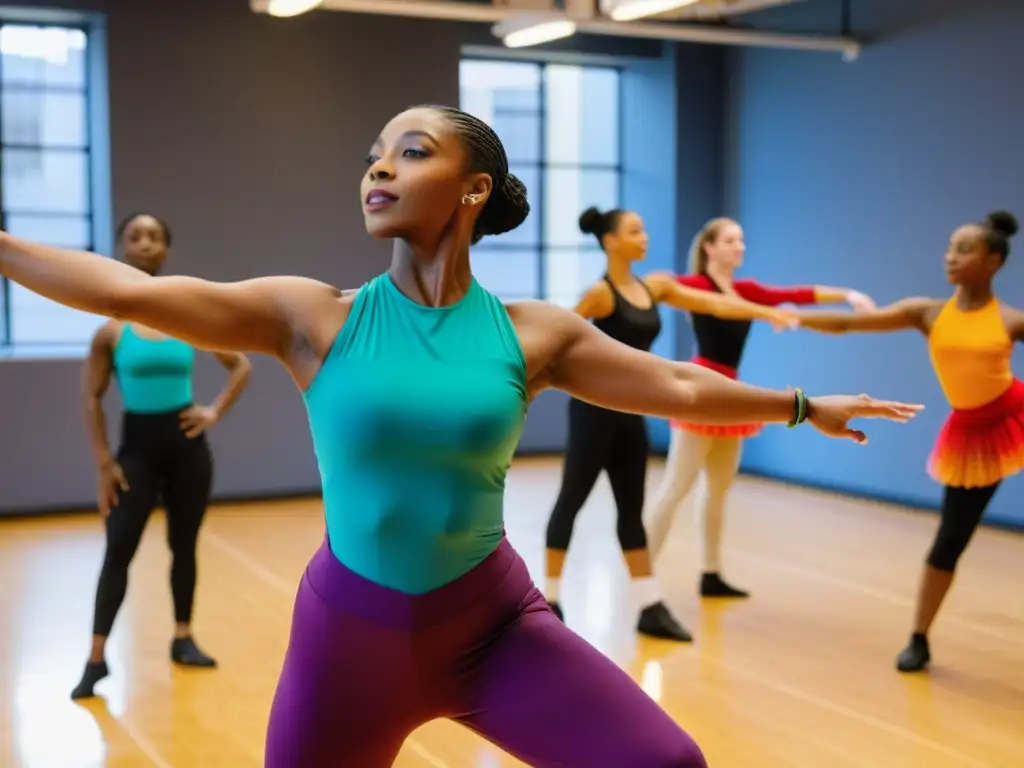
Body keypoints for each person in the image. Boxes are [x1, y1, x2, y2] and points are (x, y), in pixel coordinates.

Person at [0, 105, 922, 766]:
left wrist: (802, 406)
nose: (378, 170)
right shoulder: (311, 317)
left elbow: (677, 382)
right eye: (372, 157)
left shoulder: (533, 332)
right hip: (346, 645)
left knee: (665, 761)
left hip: (492, 630)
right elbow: (129, 292)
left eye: (408, 152)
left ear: (473, 188)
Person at [544, 206, 798, 642]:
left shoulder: (655, 286)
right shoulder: (600, 296)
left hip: (631, 414)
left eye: (644, 229)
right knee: (572, 500)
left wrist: (762, 310)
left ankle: (648, 605)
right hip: (593, 414)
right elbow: (558, 336)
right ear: (610, 242)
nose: (645, 237)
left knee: (631, 511)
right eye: (635, 231)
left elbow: (709, 301)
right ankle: (548, 600)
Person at [789, 210, 1021, 674]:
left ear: (993, 260)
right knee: (951, 538)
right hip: (974, 435)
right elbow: (853, 325)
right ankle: (919, 637)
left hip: (1015, 412)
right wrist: (792, 316)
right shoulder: (929, 313)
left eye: (964, 249)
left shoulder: (1011, 320)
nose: (950, 257)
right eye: (950, 247)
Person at [644, 216, 876, 600]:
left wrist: (848, 295)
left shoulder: (746, 290)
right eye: (731, 240)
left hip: (732, 394)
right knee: (675, 487)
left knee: (718, 489)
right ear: (710, 248)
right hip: (701, 390)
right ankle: (643, 578)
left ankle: (711, 574)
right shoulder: (697, 286)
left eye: (742, 240)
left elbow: (797, 294)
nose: (740, 247)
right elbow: (659, 287)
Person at [71, 213, 252, 700]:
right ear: (122, 248)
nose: (145, 243)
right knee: (119, 546)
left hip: (186, 448)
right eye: (135, 236)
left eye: (154, 237)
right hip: (137, 451)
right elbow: (90, 397)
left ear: (166, 250)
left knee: (184, 544)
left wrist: (213, 412)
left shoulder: (187, 320)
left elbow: (240, 365)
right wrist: (104, 463)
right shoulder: (110, 331)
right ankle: (95, 658)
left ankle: (183, 637)